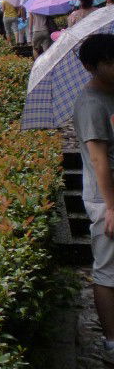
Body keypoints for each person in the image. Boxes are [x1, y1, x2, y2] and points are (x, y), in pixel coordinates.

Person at [71, 34, 114, 363]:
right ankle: (112, 339)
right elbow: (99, 159)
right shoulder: (91, 103)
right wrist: (111, 206)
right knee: (107, 270)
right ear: (90, 67)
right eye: (109, 63)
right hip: (106, 200)